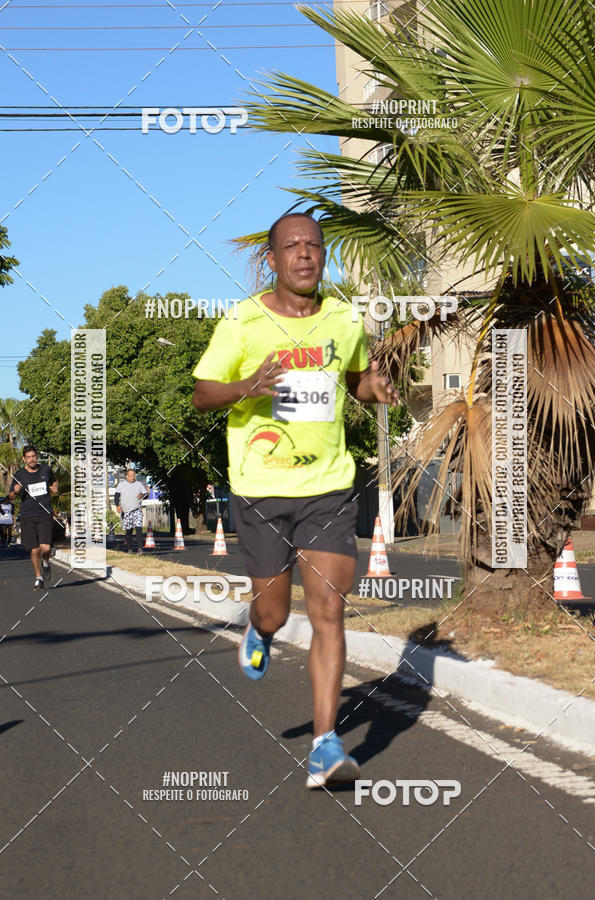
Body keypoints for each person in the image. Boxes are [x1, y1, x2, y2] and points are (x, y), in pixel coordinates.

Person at [192, 212, 398, 789]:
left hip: (327, 486)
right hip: (261, 487)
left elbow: (355, 378)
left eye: (313, 245)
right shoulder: (242, 321)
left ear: (322, 256)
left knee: (329, 608)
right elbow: (202, 393)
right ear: (273, 259)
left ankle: (325, 746)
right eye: (292, 246)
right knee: (276, 612)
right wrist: (246, 387)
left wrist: (375, 387)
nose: (304, 254)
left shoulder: (344, 318)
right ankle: (259, 632)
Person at [8, 446, 58, 589]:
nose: (31, 459)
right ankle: (38, 578)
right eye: (28, 457)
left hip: (44, 513)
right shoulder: (19, 474)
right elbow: (10, 496)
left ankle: (46, 563)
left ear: (37, 457)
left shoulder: (45, 469)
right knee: (34, 550)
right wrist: (15, 491)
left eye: (33, 456)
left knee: (46, 548)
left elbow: (54, 481)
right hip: (28, 516)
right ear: (24, 459)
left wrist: (54, 487)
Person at [114, 469, 148, 554]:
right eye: (131, 476)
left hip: (137, 510)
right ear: (127, 476)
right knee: (129, 531)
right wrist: (117, 506)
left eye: (134, 476)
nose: (133, 478)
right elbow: (116, 496)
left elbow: (146, 494)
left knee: (139, 528)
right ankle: (130, 549)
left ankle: (140, 549)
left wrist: (142, 495)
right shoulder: (121, 485)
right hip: (126, 512)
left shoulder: (139, 484)